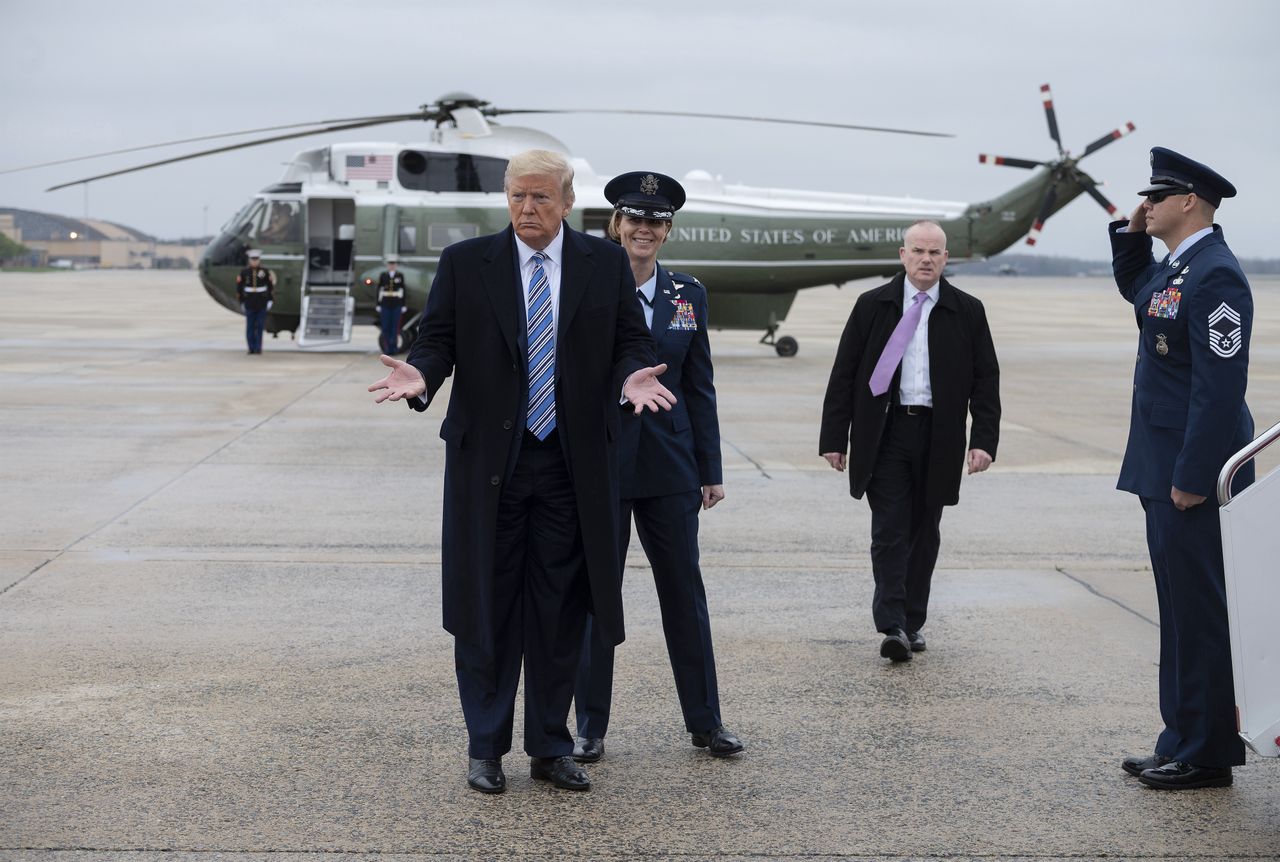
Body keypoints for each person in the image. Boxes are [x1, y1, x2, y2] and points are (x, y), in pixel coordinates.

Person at [367, 149, 675, 795]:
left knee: (561, 611)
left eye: (539, 198)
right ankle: (485, 747)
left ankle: (549, 747)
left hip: (570, 464)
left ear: (566, 203)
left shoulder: (604, 262)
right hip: (491, 467)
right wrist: (423, 374)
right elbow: (439, 338)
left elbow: (630, 339)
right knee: (487, 606)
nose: (526, 209)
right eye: (515, 197)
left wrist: (632, 373)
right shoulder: (467, 262)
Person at [572, 172, 742, 764]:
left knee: (684, 593)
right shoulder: (586, 285)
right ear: (616, 225)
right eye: (634, 219)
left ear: (667, 231)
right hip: (604, 463)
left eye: (656, 221)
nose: (644, 229)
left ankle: (706, 721)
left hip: (670, 467)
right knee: (598, 594)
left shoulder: (686, 294)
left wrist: (710, 467)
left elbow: (701, 387)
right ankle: (589, 725)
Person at [1109, 147, 1252, 790]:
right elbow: (1142, 299)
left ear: (1188, 200)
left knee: (1200, 612)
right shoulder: (1178, 269)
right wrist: (1130, 237)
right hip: (1163, 467)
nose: (1147, 206)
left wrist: (1196, 478)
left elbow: (1218, 393)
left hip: (1191, 476)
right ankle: (1181, 737)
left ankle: (1207, 752)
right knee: (1178, 609)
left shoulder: (1216, 276)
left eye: (1155, 198)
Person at [819, 220, 1000, 662]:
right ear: (902, 255)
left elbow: (986, 380)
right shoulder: (873, 305)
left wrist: (983, 441)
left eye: (934, 252)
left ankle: (912, 621)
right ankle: (892, 623)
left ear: (945, 258)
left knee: (925, 531)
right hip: (886, 431)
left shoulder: (967, 310)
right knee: (889, 530)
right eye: (918, 250)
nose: (926, 259)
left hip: (939, 434)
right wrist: (833, 437)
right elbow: (844, 373)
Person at [236, 249, 274, 354]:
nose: (254, 262)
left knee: (260, 326)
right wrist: (242, 302)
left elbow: (270, 287)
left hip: (261, 302)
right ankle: (251, 347)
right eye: (253, 259)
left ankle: (258, 348)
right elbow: (239, 288)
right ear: (249, 260)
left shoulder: (264, 272)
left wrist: (270, 300)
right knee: (250, 327)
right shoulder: (244, 272)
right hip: (249, 302)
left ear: (259, 260)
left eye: (256, 259)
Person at [375, 256, 407, 354]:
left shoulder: (399, 275)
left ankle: (394, 347)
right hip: (385, 303)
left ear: (396, 265)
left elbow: (403, 290)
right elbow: (379, 290)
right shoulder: (383, 275)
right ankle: (388, 347)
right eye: (390, 264)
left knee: (395, 327)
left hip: (396, 303)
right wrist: (378, 304)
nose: (392, 266)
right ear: (388, 265)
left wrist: (403, 304)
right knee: (386, 327)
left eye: (393, 264)